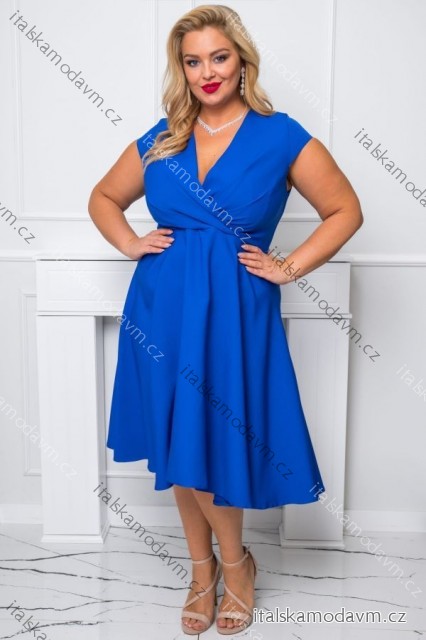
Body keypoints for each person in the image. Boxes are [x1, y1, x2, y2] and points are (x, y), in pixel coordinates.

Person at [88, 4, 363, 635]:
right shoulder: (164, 136)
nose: (207, 72)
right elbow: (103, 197)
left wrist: (289, 267)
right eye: (193, 62)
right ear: (181, 70)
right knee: (177, 439)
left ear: (242, 61)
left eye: (219, 57)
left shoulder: (281, 135)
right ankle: (201, 570)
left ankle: (236, 565)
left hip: (235, 310)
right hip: (161, 306)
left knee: (212, 435)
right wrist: (130, 243)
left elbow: (345, 209)